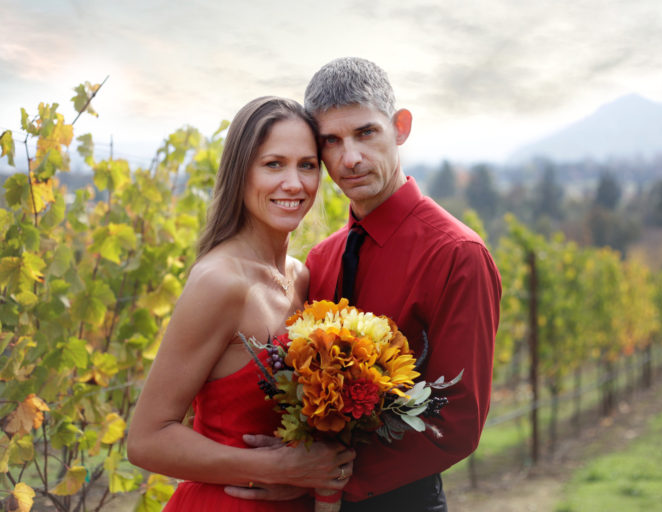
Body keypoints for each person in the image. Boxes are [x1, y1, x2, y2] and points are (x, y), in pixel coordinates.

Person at [237, 58, 502, 511]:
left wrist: (321, 481)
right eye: (331, 141)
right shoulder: (320, 260)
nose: (350, 158)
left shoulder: (458, 255)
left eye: (365, 133)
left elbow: (457, 422)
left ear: (400, 127)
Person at [127, 96, 356, 511]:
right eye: (273, 164)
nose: (294, 183)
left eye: (307, 165)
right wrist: (277, 469)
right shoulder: (221, 282)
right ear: (240, 172)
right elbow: (146, 441)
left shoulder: (301, 277)